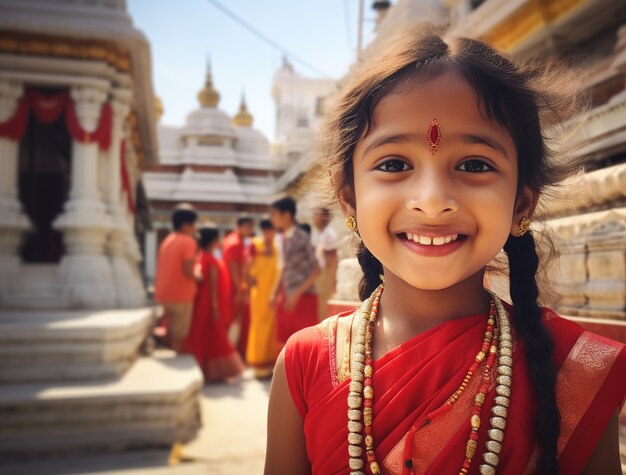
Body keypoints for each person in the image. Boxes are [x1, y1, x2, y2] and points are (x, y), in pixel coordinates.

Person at [265, 27, 626, 475]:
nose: (433, 200)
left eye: (475, 165)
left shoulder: (574, 373)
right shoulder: (305, 362)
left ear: (521, 204)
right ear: (350, 201)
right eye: (394, 164)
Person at [183, 226, 245, 382]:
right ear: (214, 240)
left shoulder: (201, 256)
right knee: (215, 336)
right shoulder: (210, 259)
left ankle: (205, 370)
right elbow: (213, 284)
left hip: (202, 305)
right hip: (209, 305)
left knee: (204, 336)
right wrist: (216, 307)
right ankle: (216, 371)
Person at [269, 196, 320, 346]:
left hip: (304, 297)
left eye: (274, 214)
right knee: (284, 341)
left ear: (286, 215)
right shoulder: (283, 237)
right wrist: (274, 293)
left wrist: (296, 294)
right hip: (287, 295)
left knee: (304, 343)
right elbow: (283, 267)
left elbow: (317, 270)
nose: (272, 219)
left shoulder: (302, 237)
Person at [154, 204, 199, 353]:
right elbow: (187, 269)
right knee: (178, 334)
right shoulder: (188, 241)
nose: (195, 229)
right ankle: (176, 356)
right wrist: (198, 275)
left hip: (163, 294)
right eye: (193, 225)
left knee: (167, 328)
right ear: (186, 225)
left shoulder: (167, 240)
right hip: (181, 295)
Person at [247, 219, 280, 379]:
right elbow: (247, 264)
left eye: (271, 231)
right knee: (259, 326)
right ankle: (258, 365)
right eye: (266, 231)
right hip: (259, 293)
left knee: (272, 328)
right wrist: (250, 278)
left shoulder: (277, 246)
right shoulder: (255, 244)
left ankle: (269, 365)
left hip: (273, 293)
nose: (268, 234)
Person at [222, 216, 254, 359]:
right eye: (247, 227)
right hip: (233, 288)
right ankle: (232, 352)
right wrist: (240, 287)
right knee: (235, 320)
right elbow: (233, 266)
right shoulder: (234, 243)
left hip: (232, 286)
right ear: (239, 226)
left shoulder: (235, 240)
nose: (250, 230)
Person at [311, 207, 339, 320]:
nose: (314, 218)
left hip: (325, 276)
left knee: (322, 311)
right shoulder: (323, 234)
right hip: (321, 276)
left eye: (316, 215)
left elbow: (332, 260)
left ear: (323, 217)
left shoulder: (328, 235)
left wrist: (332, 281)